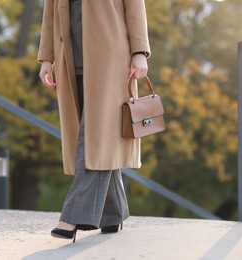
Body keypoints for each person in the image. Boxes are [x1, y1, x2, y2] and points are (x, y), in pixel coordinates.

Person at [37, 0, 151, 242]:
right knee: (102, 136)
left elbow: (135, 5)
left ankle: (71, 217)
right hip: (69, 58)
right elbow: (49, 14)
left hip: (111, 56)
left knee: (94, 138)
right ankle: (112, 215)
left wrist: (139, 51)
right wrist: (46, 57)